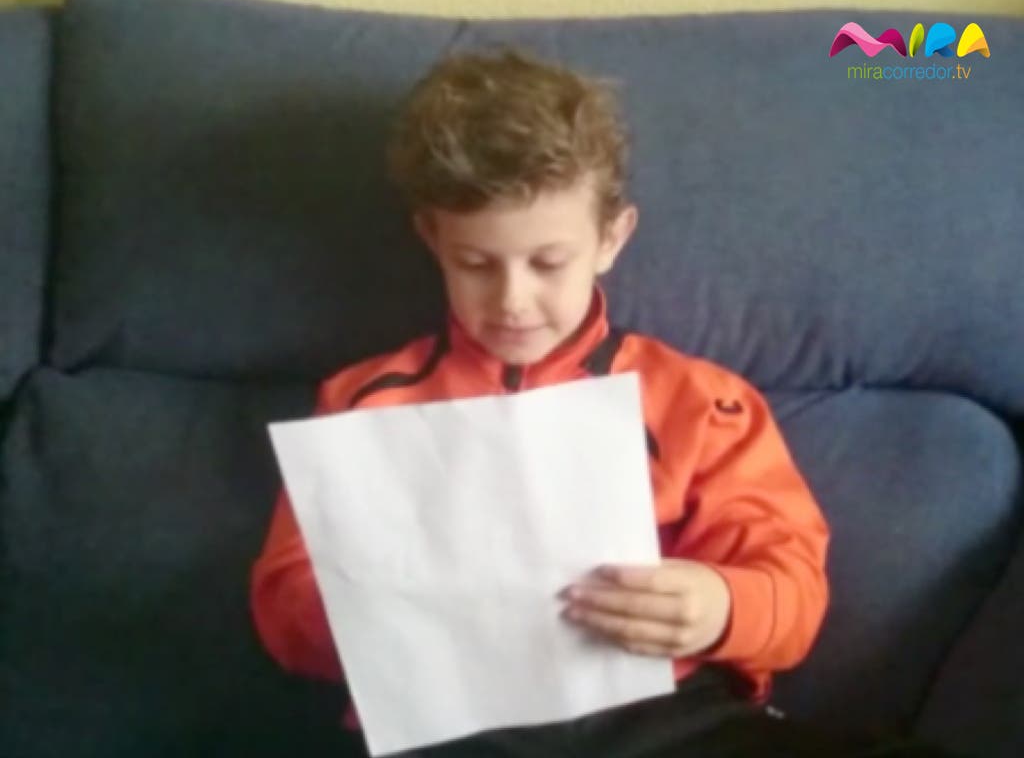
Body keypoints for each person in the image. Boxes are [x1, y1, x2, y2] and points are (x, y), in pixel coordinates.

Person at [250, 48, 962, 758]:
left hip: (665, 715)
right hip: (459, 720)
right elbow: (285, 603)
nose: (512, 300)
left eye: (548, 262)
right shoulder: (363, 405)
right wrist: (365, 619)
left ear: (611, 239)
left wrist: (720, 607)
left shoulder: (701, 403)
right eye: (476, 264)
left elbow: (791, 588)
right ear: (432, 239)